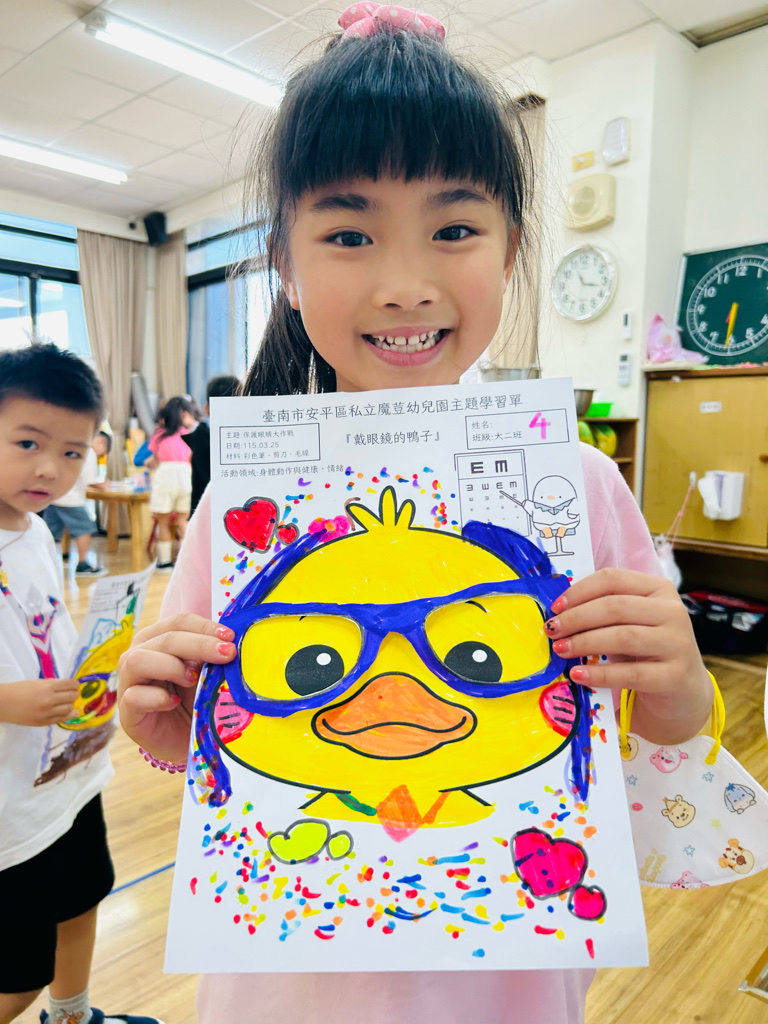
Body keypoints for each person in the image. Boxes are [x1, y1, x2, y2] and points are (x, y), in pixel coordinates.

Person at [117, 9, 715, 1024]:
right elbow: (225, 760)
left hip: (507, 978)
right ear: (286, 264)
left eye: (454, 229)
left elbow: (644, 759)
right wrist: (164, 723)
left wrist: (682, 689)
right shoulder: (243, 507)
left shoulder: (575, 484)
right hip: (287, 981)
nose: (404, 285)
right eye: (349, 234)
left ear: (511, 248)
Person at [0, 343, 162, 1024]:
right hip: (9, 806)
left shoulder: (36, 532)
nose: (50, 468)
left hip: (67, 773)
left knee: (83, 899)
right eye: (28, 443)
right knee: (17, 977)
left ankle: (72, 1017)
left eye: (72, 452)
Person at [43, 430, 111, 577]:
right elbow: (89, 480)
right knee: (85, 529)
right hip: (70, 498)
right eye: (103, 452)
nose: (101, 455)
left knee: (50, 533)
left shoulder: (69, 447)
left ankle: (44, 564)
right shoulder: (88, 452)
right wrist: (103, 485)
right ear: (101, 443)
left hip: (52, 495)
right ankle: (83, 564)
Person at [147, 396, 196, 572]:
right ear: (185, 414)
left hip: (165, 478)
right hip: (186, 477)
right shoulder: (188, 434)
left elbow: (155, 460)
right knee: (183, 520)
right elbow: (190, 458)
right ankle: (186, 562)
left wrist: (149, 463)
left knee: (163, 522)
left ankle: (164, 562)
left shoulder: (159, 434)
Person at [182, 375, 240, 516]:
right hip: (225, 514)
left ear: (207, 409)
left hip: (208, 514)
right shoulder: (246, 440)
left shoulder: (201, 437)